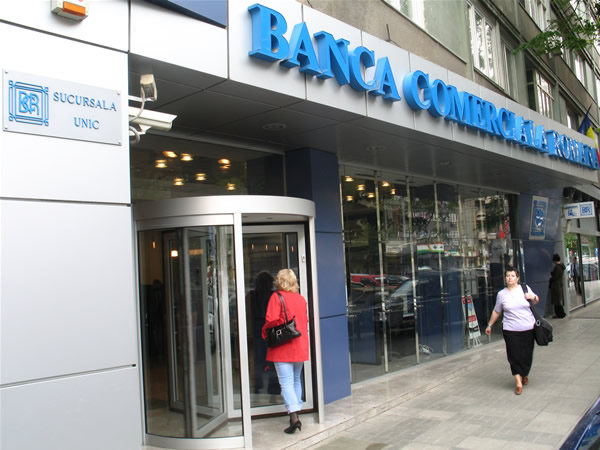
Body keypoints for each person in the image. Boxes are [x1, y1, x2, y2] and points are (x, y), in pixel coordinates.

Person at [261, 268, 309, 434]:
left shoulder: (276, 297)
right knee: (296, 380)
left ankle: (294, 417)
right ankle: (295, 413)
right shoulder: (301, 299)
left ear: (279, 282)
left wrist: (264, 332)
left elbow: (271, 320)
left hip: (283, 346)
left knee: (286, 383)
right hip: (299, 345)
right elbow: (305, 321)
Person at [485, 266, 539, 395]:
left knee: (526, 355)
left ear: (517, 278)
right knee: (513, 355)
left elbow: (536, 300)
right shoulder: (501, 294)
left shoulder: (525, 289)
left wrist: (532, 297)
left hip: (528, 328)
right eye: (508, 276)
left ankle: (524, 373)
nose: (510, 278)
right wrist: (489, 325)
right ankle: (518, 382)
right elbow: (497, 311)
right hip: (510, 330)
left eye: (512, 276)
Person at [549, 254, 567, 318]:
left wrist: (550, 278)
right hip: (559, 285)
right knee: (559, 300)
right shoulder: (561, 266)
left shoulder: (557, 267)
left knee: (556, 301)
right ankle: (561, 313)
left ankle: (559, 314)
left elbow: (555, 277)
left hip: (556, 286)